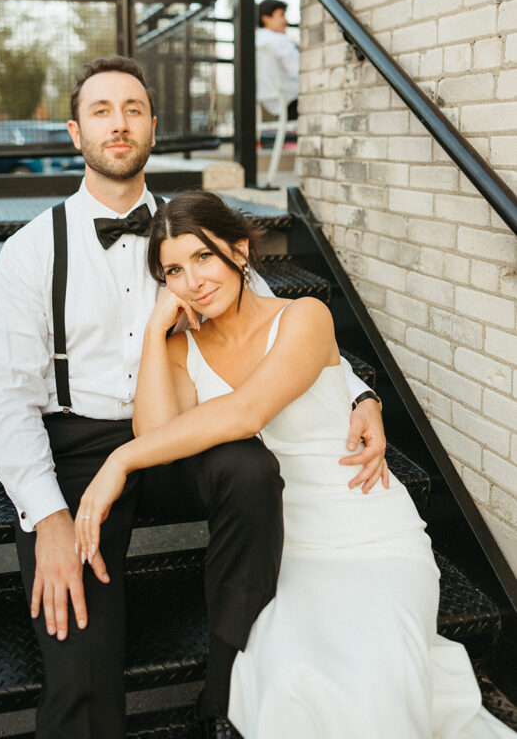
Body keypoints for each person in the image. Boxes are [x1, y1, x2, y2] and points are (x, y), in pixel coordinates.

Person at [0, 57, 387, 739]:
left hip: (182, 432)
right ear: (75, 134)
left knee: (250, 471)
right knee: (76, 658)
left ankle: (224, 702)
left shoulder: (190, 232)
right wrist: (45, 514)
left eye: (133, 109)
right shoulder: (30, 251)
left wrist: (357, 393)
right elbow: (5, 399)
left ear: (152, 129)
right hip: (79, 450)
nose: (119, 123)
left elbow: (274, 321)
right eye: (102, 111)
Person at [75, 191, 513, 739]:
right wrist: (153, 336)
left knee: (375, 674)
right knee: (289, 678)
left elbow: (247, 410)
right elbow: (160, 436)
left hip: (369, 530)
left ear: (239, 251)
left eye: (204, 257)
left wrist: (117, 461)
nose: (193, 281)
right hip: (282, 544)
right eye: (173, 271)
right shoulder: (182, 350)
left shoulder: (307, 315)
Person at [256, 0, 299, 122]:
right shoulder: (279, 40)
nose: (286, 21)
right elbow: (299, 71)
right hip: (290, 100)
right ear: (266, 19)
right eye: (281, 15)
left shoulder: (255, 41)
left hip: (269, 102)